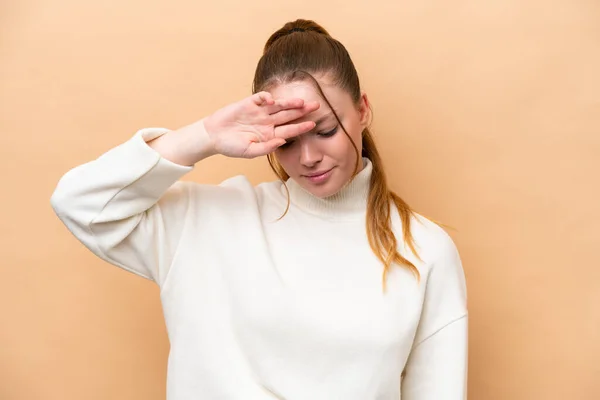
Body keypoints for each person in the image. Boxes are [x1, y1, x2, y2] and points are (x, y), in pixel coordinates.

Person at [51, 18, 468, 400]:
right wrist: (205, 136)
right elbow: (80, 202)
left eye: (324, 130)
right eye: (286, 139)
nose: (307, 157)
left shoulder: (425, 250)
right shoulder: (206, 223)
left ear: (362, 110)